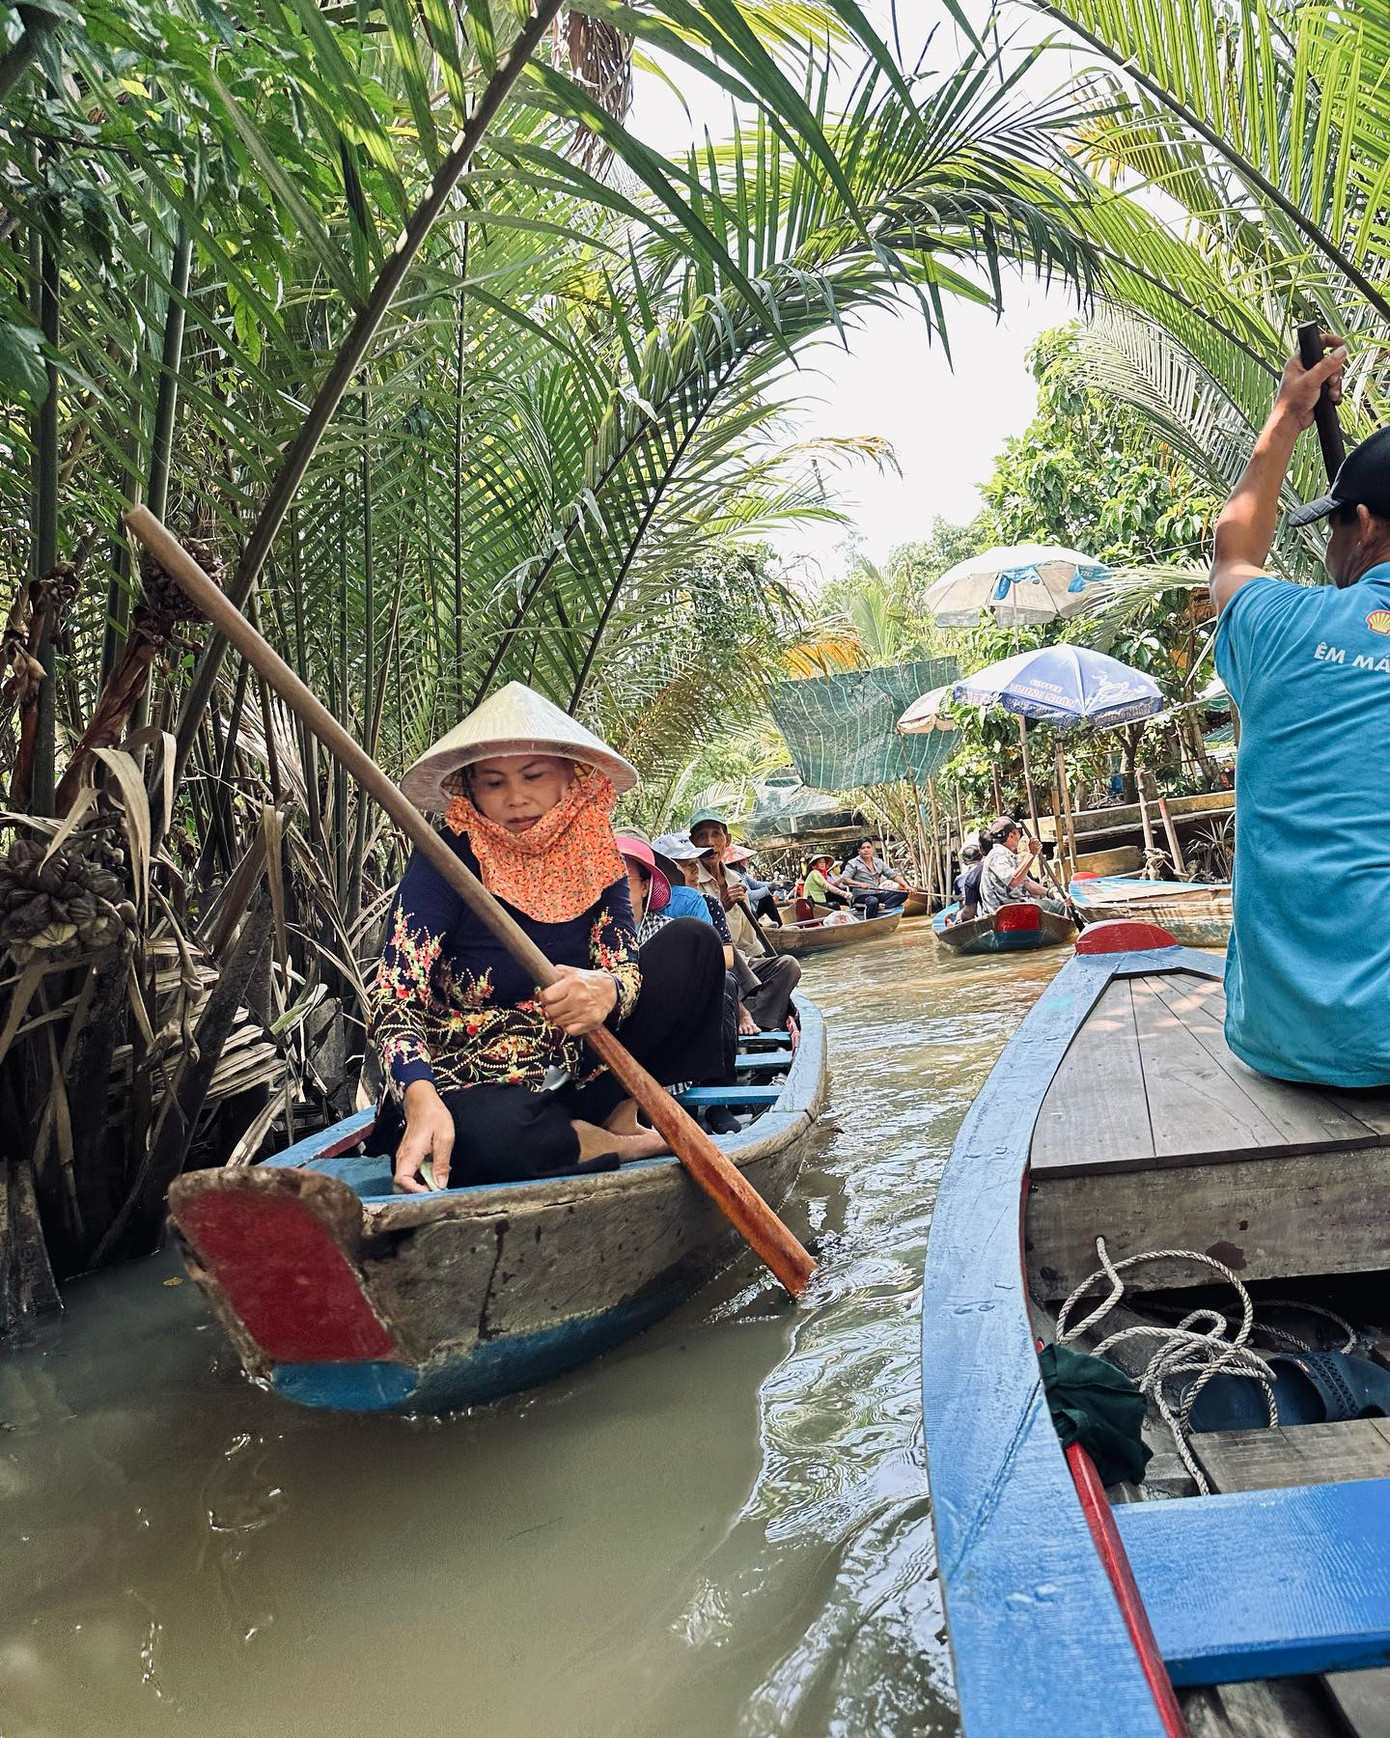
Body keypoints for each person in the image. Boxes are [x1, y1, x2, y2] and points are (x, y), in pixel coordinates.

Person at [368, 682, 728, 1191]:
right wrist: (419, 1093)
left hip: (579, 1063)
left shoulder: (594, 847)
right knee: (482, 1139)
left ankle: (619, 1114)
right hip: (470, 1078)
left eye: (533, 776)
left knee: (694, 944)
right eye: (493, 783)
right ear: (471, 789)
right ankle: (599, 1144)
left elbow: (623, 966)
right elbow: (394, 994)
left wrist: (609, 991)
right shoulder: (445, 858)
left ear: (569, 776)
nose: (516, 798)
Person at [1209, 331, 1390, 1085]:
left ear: (1365, 525)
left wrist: (1289, 412)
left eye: (1334, 526)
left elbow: (1232, 550)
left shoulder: (1281, 624)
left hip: (1295, 1049)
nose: (1327, 551)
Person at [977, 817, 1066, 917]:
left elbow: (1027, 883)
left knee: (1059, 904)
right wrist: (1031, 854)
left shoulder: (1008, 855)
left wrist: (1050, 892)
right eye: (1017, 833)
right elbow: (1013, 880)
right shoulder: (997, 855)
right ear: (1011, 835)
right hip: (1007, 912)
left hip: (1017, 906)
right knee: (1061, 908)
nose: (1019, 837)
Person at [838, 838, 911, 918]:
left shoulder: (878, 862)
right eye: (863, 848)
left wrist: (906, 885)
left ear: (872, 849)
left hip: (876, 894)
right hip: (861, 897)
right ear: (859, 851)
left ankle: (883, 906)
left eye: (868, 847)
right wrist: (860, 884)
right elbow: (845, 880)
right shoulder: (852, 863)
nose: (866, 850)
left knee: (903, 893)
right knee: (873, 901)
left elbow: (893, 875)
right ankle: (870, 921)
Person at [722, 842, 782, 924]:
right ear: (738, 862)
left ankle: (778, 924)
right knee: (766, 898)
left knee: (766, 898)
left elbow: (755, 884)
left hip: (750, 909)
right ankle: (779, 925)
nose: (748, 860)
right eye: (745, 859)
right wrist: (768, 889)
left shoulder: (742, 873)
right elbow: (749, 895)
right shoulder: (734, 875)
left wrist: (774, 884)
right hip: (743, 911)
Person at [955, 841, 985, 921]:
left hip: (973, 912)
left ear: (964, 862)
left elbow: (957, 898)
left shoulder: (961, 879)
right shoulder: (988, 868)